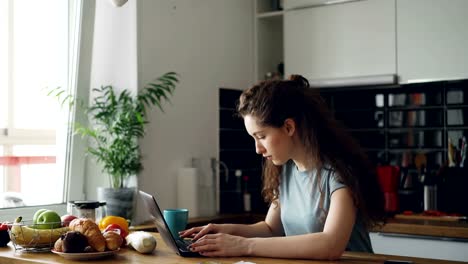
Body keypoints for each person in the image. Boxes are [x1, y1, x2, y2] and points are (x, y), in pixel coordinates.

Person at [180, 75, 385, 260]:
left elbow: (330, 246)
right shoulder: (286, 170)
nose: (258, 149)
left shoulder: (339, 175)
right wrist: (223, 231)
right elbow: (271, 229)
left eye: (261, 137)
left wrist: (243, 245)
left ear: (289, 127)